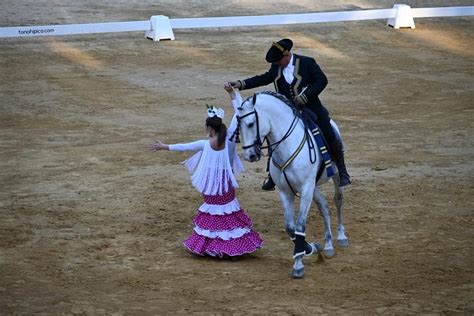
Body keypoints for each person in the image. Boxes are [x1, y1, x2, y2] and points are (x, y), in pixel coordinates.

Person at [148, 95, 263, 258]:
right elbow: (239, 113)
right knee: (227, 213)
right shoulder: (230, 139)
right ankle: (232, 247)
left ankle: (213, 247)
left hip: (210, 185)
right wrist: (232, 95)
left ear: (210, 128)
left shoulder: (205, 144)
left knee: (214, 215)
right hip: (225, 184)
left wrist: (164, 146)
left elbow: (184, 147)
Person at [228, 38, 351, 189]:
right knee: (272, 133)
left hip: (311, 107)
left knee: (327, 130)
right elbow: (264, 78)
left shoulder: (307, 63)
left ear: (287, 55)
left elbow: (321, 80)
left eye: (279, 60)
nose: (277, 63)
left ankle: (342, 170)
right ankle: (272, 175)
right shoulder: (277, 66)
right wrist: (241, 84)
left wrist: (305, 96)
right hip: (288, 111)